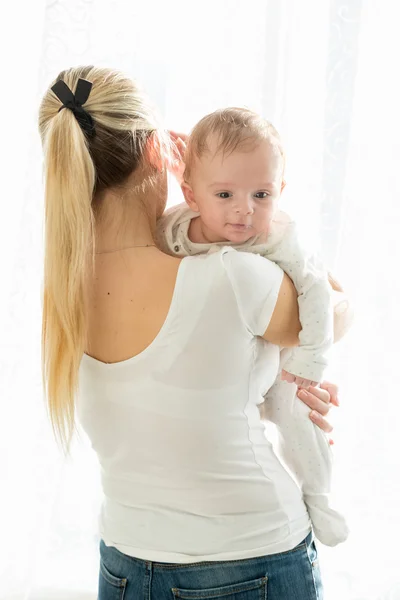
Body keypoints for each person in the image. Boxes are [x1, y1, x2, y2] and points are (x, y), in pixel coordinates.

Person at [39, 66, 347, 600]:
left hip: (124, 566)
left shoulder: (62, 292)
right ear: (162, 153)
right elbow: (333, 307)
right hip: (251, 558)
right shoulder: (230, 275)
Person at [156, 108, 350, 547]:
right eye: (224, 194)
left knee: (297, 416)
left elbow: (318, 292)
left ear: (280, 190)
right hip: (222, 371)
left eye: (262, 194)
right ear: (190, 193)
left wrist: (309, 361)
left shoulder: (280, 237)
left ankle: (318, 495)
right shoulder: (173, 231)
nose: (245, 209)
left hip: (280, 357)